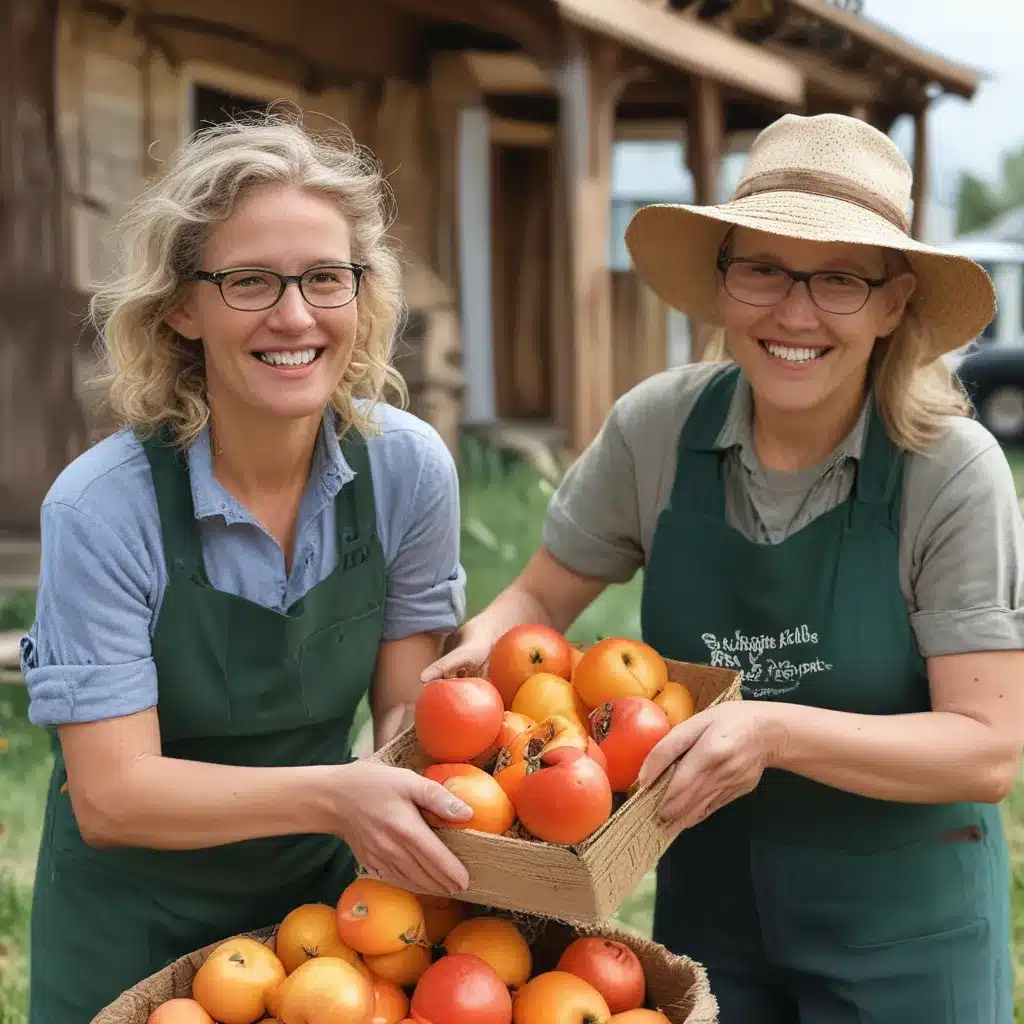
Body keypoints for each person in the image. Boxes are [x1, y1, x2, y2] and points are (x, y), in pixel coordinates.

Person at [424, 112, 1024, 1022]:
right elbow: (541, 592)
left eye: (838, 280)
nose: (793, 311)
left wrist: (773, 733)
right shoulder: (658, 429)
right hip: (713, 918)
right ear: (722, 281)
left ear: (894, 303)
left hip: (906, 937)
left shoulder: (950, 472)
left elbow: (986, 746)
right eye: (763, 270)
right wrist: (481, 651)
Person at [20, 112, 474, 1024]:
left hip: (317, 920)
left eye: (324, 278)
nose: (295, 315)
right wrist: (340, 796)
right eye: (250, 281)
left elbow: (402, 707)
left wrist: (399, 792)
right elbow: (112, 796)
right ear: (181, 308)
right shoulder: (102, 508)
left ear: (363, 293)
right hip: (126, 923)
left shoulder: (407, 471)